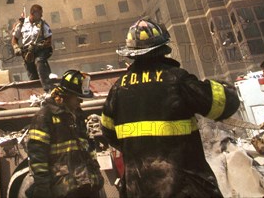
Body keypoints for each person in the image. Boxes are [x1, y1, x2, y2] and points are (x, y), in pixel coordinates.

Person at [100, 18, 240, 198]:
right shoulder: (176, 79)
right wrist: (223, 87)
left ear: (131, 53)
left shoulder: (118, 89)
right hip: (181, 187)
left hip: (139, 189)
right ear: (162, 48)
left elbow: (108, 132)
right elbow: (222, 106)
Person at [26, 70, 104, 198]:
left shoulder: (77, 116)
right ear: (66, 95)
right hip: (63, 189)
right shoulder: (44, 117)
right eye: (77, 97)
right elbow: (37, 156)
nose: (81, 102)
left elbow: (88, 150)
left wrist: (96, 177)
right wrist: (42, 188)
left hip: (86, 187)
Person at [12, 4, 53, 92]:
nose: (41, 15)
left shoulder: (43, 24)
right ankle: (38, 93)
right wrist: (16, 48)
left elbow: (49, 40)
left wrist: (39, 45)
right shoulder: (21, 24)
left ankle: (48, 88)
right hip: (27, 52)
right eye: (40, 13)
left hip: (40, 50)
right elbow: (14, 39)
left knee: (39, 61)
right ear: (33, 13)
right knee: (32, 74)